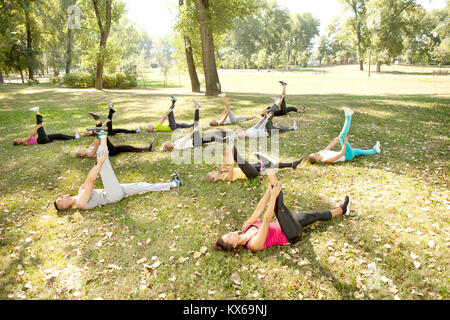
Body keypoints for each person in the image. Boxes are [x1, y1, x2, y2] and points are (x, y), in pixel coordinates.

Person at [213, 167, 350, 252]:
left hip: (284, 222)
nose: (231, 233)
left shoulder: (245, 227)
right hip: (289, 234)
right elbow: (266, 221)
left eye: (228, 233)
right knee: (279, 206)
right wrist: (273, 197)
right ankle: (269, 167)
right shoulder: (253, 245)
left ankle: (342, 210)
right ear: (235, 245)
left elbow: (258, 211)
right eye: (229, 237)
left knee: (314, 215)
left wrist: (268, 193)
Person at [54, 131, 183, 211]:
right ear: (65, 206)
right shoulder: (80, 202)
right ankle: (103, 137)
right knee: (103, 163)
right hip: (112, 195)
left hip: (113, 189)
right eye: (60, 200)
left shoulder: (79, 192)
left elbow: (88, 177)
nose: (61, 196)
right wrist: (98, 164)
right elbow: (92, 181)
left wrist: (96, 165)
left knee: (141, 186)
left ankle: (172, 184)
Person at [305, 108, 381, 164]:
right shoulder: (326, 160)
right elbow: (341, 154)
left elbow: (330, 146)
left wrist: (337, 138)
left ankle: (375, 150)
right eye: (316, 156)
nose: (317, 153)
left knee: (361, 152)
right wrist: (344, 143)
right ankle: (348, 116)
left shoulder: (321, 152)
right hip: (347, 155)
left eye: (314, 153)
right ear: (318, 160)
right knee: (343, 136)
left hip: (346, 152)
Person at [206, 139, 303, 182]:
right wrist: (229, 146)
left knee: (271, 164)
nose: (213, 171)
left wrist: (227, 148)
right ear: (215, 179)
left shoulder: (222, 171)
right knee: (236, 158)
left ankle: (292, 164)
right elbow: (231, 165)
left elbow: (224, 159)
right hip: (250, 174)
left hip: (251, 168)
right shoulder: (226, 178)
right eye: (212, 173)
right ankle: (229, 142)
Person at [13, 107, 80, 146]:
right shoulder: (24, 141)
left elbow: (34, 134)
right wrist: (37, 128)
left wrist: (36, 128)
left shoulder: (25, 139)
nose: (18, 138)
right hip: (41, 140)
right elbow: (31, 135)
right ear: (18, 143)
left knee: (59, 135)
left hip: (43, 138)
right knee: (39, 124)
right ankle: (37, 110)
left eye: (16, 138)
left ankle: (75, 137)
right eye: (16, 140)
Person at [76, 133, 154, 158]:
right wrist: (99, 135)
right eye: (80, 151)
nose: (81, 149)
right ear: (82, 154)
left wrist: (97, 135)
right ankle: (101, 130)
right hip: (110, 152)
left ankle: (148, 149)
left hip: (112, 149)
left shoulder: (89, 147)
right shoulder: (89, 154)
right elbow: (96, 146)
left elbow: (95, 142)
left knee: (129, 148)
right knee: (104, 136)